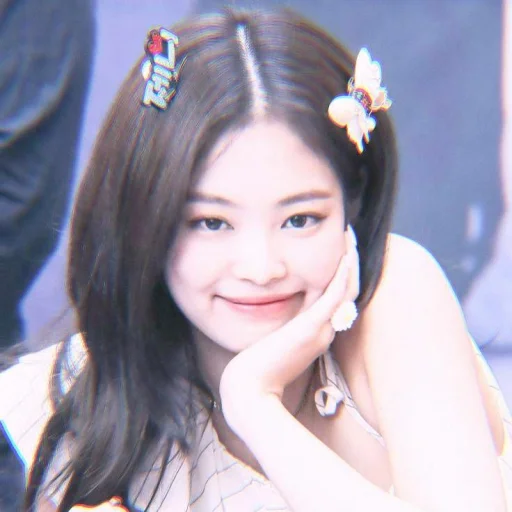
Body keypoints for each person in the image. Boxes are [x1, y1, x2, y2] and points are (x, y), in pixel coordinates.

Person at [0, 6, 510, 511]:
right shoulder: (86, 398)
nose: (261, 268)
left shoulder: (397, 296)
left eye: (300, 219)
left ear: (352, 206)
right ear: (144, 219)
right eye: (211, 223)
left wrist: (254, 406)